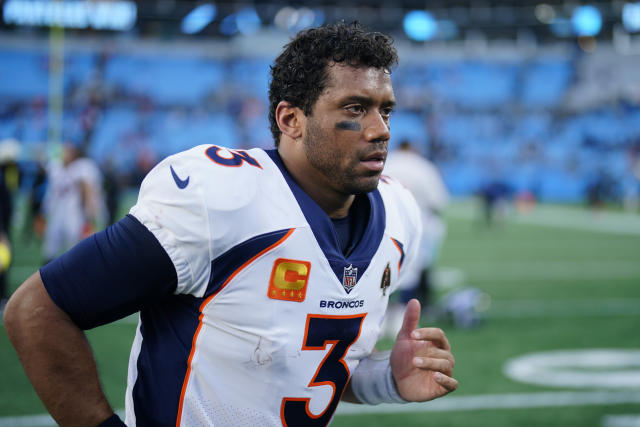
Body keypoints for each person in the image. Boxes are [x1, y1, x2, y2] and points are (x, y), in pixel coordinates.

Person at [4, 22, 457, 426]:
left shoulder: (399, 215)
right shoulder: (221, 198)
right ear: (291, 119)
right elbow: (36, 310)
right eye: (355, 108)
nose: (381, 130)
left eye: (386, 109)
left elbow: (311, 367)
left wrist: (387, 380)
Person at [381, 140, 449, 336]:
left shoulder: (386, 161)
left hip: (386, 224)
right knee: (412, 269)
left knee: (385, 269)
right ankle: (403, 316)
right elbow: (438, 201)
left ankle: (383, 314)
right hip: (420, 225)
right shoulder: (424, 167)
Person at [41, 140, 107, 263]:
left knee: (75, 247)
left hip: (74, 213)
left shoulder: (82, 167)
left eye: (68, 151)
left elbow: (87, 192)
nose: (65, 154)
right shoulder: (55, 167)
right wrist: (43, 211)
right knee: (50, 246)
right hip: (57, 213)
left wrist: (90, 215)